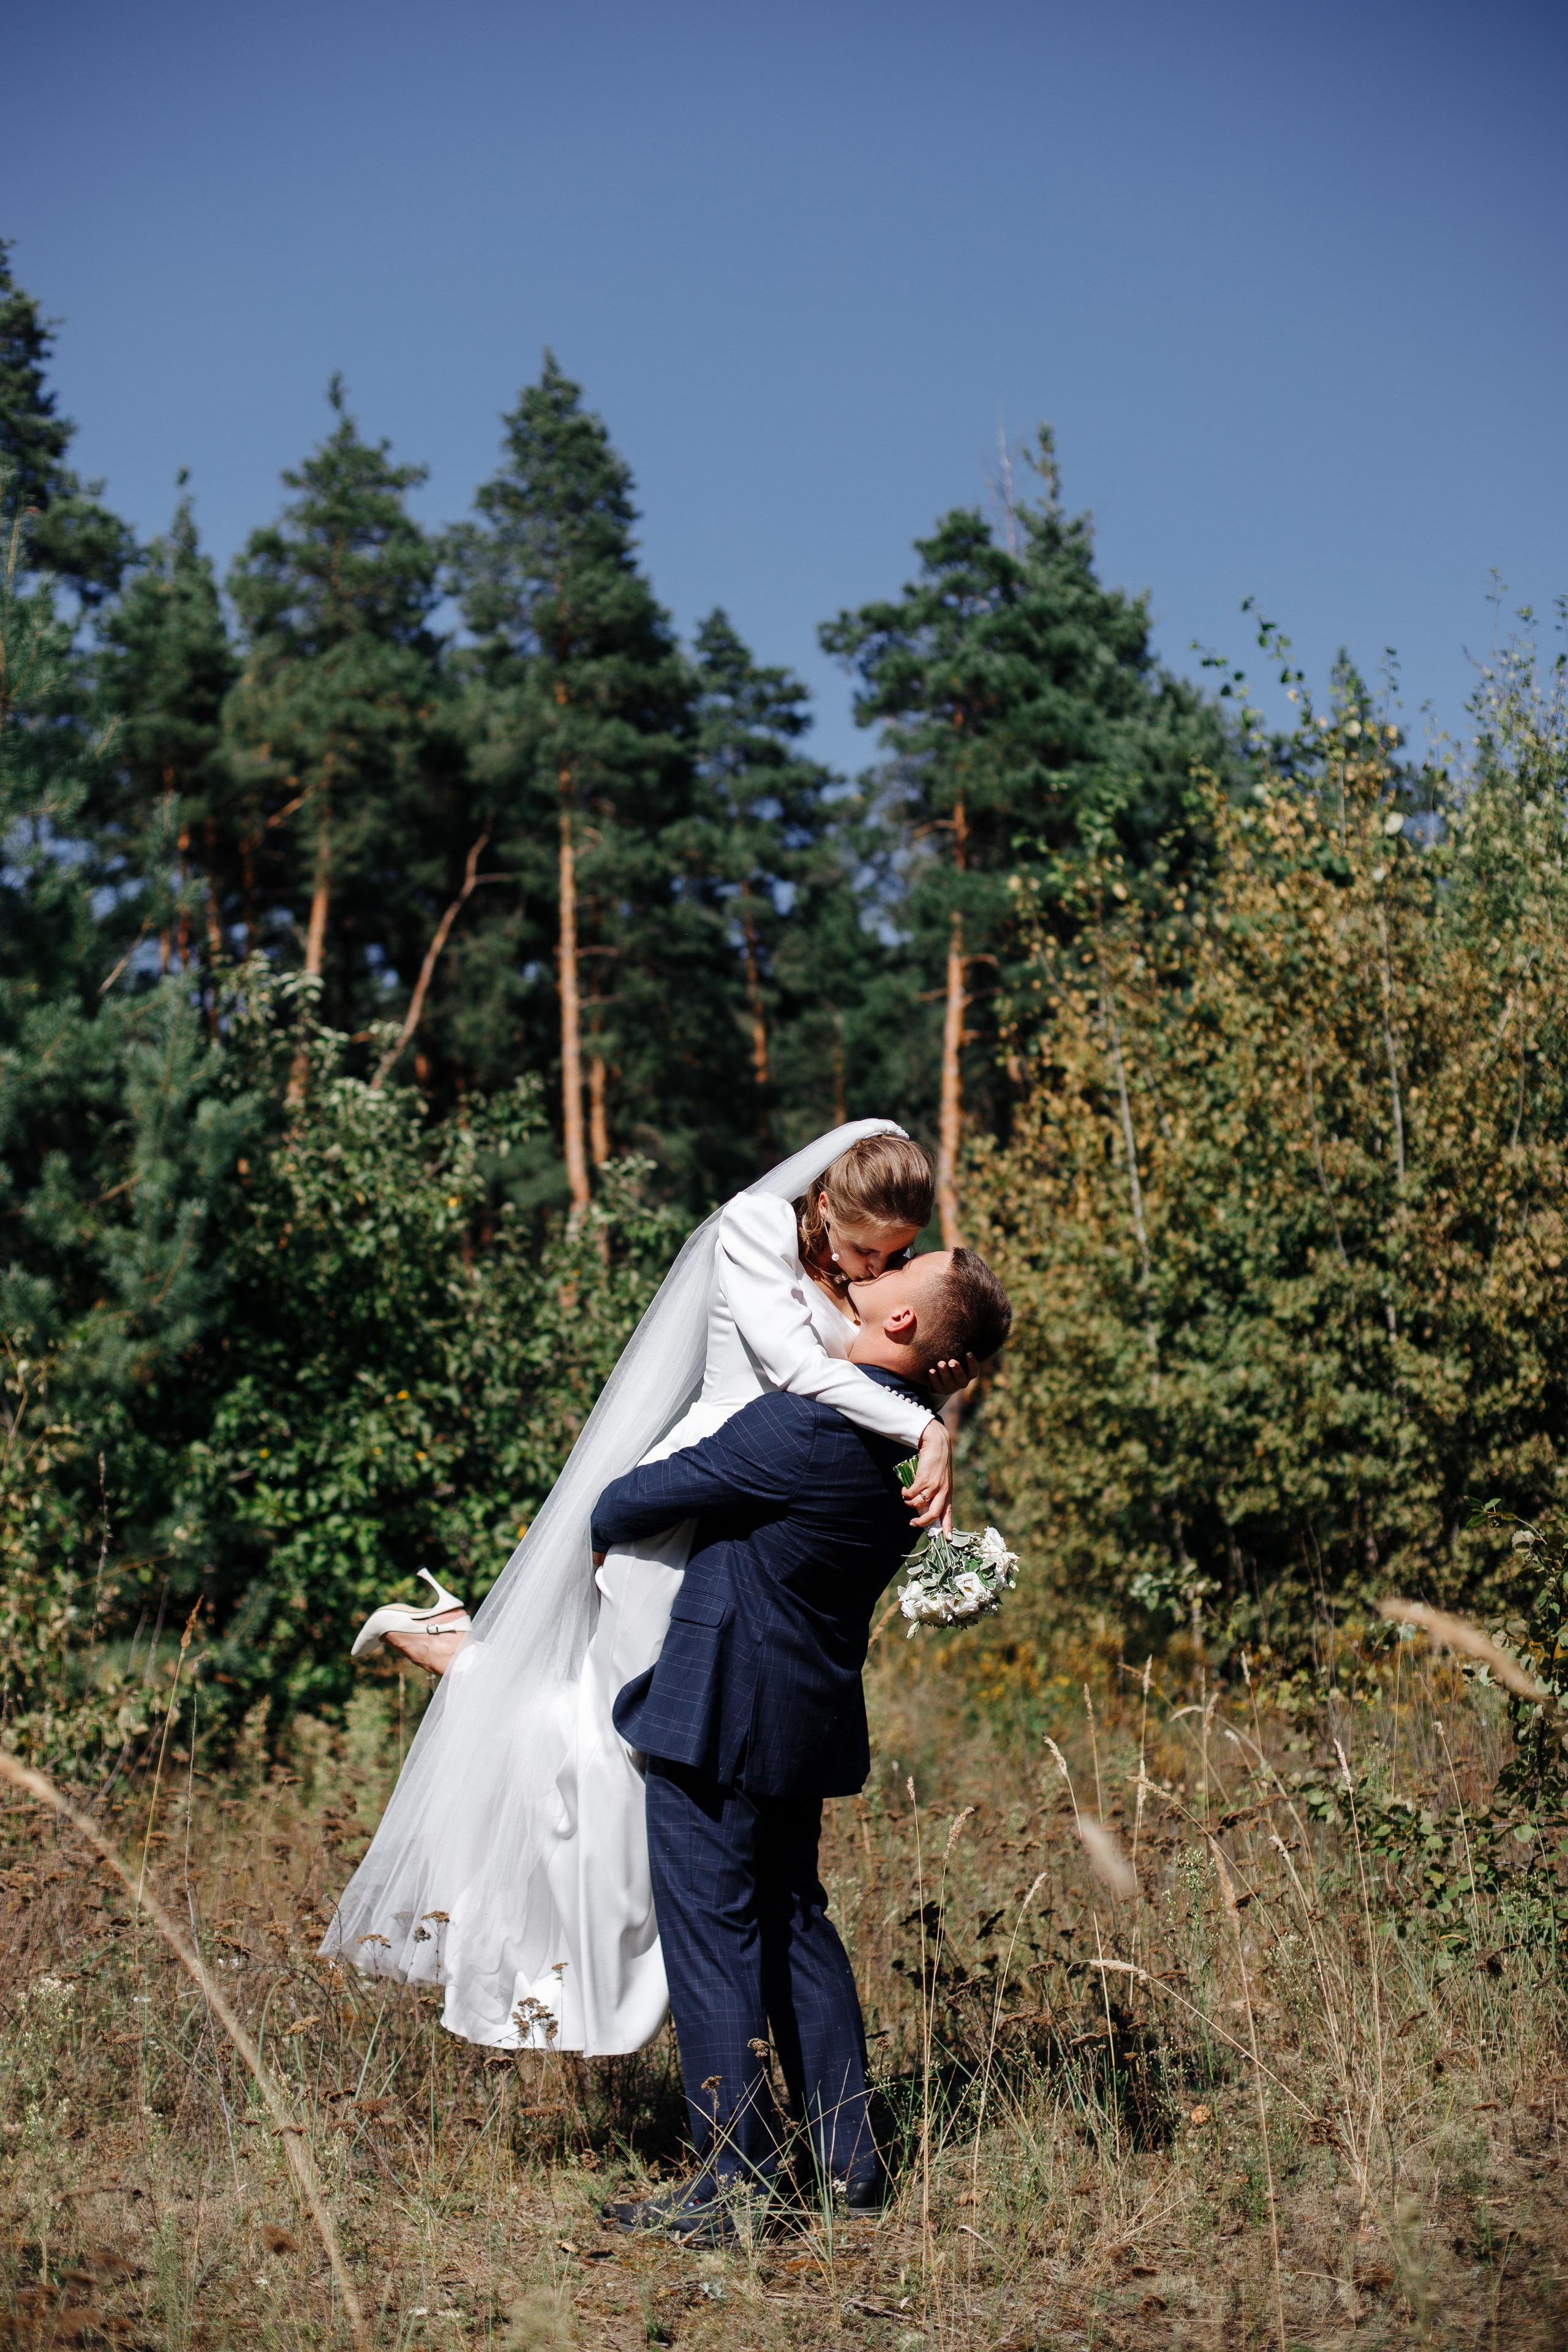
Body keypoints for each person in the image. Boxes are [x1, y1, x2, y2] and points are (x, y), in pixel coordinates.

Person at [324, 1123, 979, 2051]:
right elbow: (802, 1374)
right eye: (871, 1250)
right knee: (614, 1750)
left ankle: (467, 1654)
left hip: (754, 1519)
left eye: (899, 1255)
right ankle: (466, 1665)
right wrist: (927, 1430)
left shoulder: (857, 1278)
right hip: (692, 1502)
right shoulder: (754, 1227)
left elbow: (875, 1367)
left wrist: (935, 1387)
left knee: (634, 1756)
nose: (880, 1269)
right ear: (827, 1203)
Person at [590, 1245, 1013, 2241]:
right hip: (802, 1717)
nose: (882, 1262)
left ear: (902, 1323)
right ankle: (848, 2163)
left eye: (905, 1264)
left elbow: (624, 1503)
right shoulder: (908, 1454)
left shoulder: (804, 1426)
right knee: (791, 1923)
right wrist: (933, 1410)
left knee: (716, 1938)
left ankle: (734, 2183)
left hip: (717, 1711)